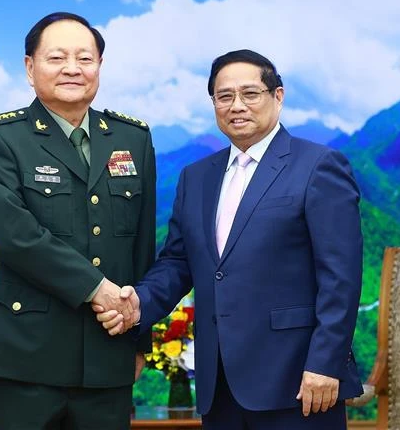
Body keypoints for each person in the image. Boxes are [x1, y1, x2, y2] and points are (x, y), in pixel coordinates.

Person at [95, 49, 363, 429]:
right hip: (218, 383)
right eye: (225, 96)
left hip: (299, 382)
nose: (237, 105)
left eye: (250, 94)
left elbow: (342, 277)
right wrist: (138, 304)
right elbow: (177, 262)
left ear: (278, 97)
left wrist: (325, 363)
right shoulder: (196, 176)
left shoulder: (319, 166)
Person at [0, 11, 156, 429]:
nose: (73, 68)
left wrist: (139, 336)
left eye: (85, 58)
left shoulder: (133, 139)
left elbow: (142, 245)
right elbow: (14, 236)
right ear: (30, 68)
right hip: (25, 356)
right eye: (57, 58)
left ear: (100, 67)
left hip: (109, 354)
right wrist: (96, 289)